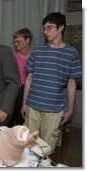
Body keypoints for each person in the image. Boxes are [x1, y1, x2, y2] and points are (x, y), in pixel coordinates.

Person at [21, 12, 82, 152]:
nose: (45, 31)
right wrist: (24, 103)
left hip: (55, 109)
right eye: (44, 28)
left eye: (49, 27)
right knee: (29, 145)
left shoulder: (71, 53)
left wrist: (70, 110)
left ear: (61, 28)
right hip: (33, 106)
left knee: (47, 148)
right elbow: (29, 78)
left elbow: (71, 83)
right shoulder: (37, 51)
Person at [8, 28, 33, 127]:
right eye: (14, 42)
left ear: (27, 40)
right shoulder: (12, 56)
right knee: (8, 119)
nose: (16, 44)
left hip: (27, 92)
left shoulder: (35, 56)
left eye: (18, 41)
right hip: (12, 90)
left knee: (22, 121)